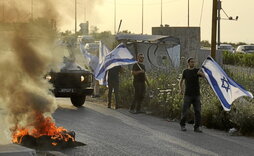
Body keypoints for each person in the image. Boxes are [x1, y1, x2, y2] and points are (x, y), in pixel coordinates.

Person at [179, 57, 205, 132]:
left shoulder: (197, 71)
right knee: (185, 111)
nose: (192, 63)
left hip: (196, 94)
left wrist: (201, 73)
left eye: (193, 62)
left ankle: (197, 127)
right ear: (188, 63)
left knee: (198, 111)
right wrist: (181, 89)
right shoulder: (185, 71)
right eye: (191, 62)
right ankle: (182, 125)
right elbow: (181, 81)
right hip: (188, 94)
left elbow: (204, 76)